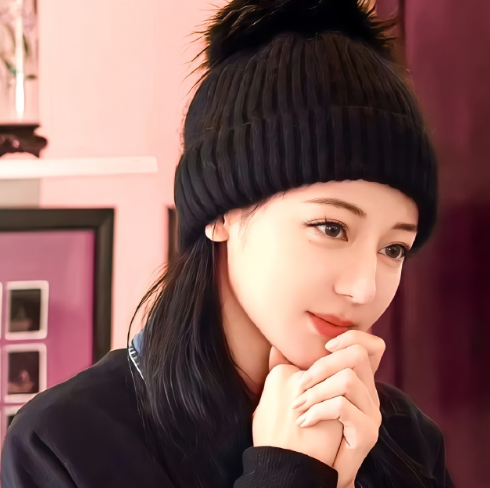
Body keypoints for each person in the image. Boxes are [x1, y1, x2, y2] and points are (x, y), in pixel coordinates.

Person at [1, 0, 456, 487]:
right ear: (221, 213)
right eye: (331, 227)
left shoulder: (405, 440)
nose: (364, 288)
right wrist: (289, 475)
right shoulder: (63, 448)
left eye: (393, 249)